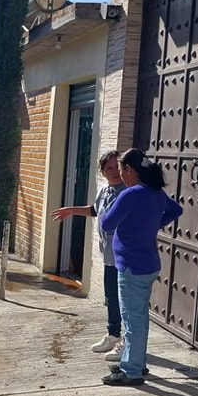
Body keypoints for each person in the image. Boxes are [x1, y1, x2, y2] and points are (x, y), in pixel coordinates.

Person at [100, 148, 183, 386]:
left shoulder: (131, 194)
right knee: (139, 317)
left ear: (129, 170)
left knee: (132, 318)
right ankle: (136, 361)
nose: (118, 174)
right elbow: (177, 210)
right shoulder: (155, 193)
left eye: (121, 169)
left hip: (131, 266)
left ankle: (131, 371)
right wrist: (152, 224)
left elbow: (107, 223)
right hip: (148, 264)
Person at [50, 150, 126, 357]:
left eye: (117, 166)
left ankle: (127, 342)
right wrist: (71, 210)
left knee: (124, 300)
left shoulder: (128, 191)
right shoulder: (104, 190)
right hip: (109, 256)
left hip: (125, 256)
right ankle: (113, 335)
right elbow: (94, 210)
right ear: (102, 172)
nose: (114, 171)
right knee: (111, 297)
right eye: (109, 168)